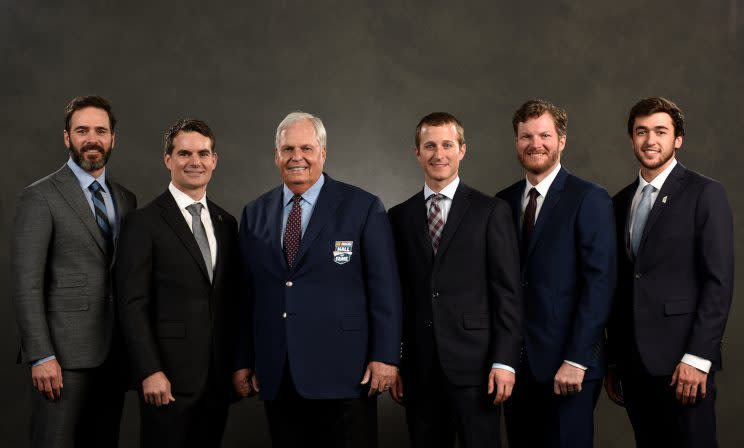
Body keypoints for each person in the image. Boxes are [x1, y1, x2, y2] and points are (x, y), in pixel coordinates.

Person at [233, 111, 402, 448]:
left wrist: (386, 356)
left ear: (323, 153)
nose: (297, 157)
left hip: (346, 371)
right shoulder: (255, 213)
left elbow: (385, 288)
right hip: (279, 372)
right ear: (276, 155)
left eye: (307, 148)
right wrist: (243, 361)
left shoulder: (363, 207)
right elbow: (245, 295)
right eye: (288, 149)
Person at [604, 97, 733, 447]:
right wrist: (614, 359)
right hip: (633, 365)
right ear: (631, 138)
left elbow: (718, 283)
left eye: (661, 131)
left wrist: (698, 358)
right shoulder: (618, 203)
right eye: (641, 132)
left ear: (678, 139)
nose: (650, 140)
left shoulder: (704, 193)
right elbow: (619, 285)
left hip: (684, 363)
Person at [387, 112, 522, 448]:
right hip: (419, 367)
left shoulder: (490, 211)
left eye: (447, 144)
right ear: (417, 153)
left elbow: (507, 292)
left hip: (477, 368)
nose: (439, 154)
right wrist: (396, 359)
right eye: (429, 145)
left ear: (462, 150)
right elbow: (395, 295)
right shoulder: (398, 217)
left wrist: (505, 360)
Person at [11, 95, 136, 447]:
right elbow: (26, 283)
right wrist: (41, 354)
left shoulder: (126, 198)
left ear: (113, 138)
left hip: (113, 356)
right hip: (61, 360)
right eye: (82, 130)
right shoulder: (41, 196)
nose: (92, 138)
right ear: (67, 137)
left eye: (100, 130)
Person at [496, 99, 616, 447]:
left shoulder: (589, 198)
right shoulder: (502, 202)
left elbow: (600, 283)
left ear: (562, 140)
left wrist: (577, 358)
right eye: (526, 136)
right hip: (516, 367)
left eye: (545, 135)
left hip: (569, 364)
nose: (536, 144)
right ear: (516, 142)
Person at [115, 119, 238, 447]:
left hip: (216, 380)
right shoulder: (143, 222)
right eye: (184, 153)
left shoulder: (227, 223)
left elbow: (231, 300)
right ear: (168, 159)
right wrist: (149, 371)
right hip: (165, 380)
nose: (194, 161)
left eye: (203, 153)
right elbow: (131, 304)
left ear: (214, 160)